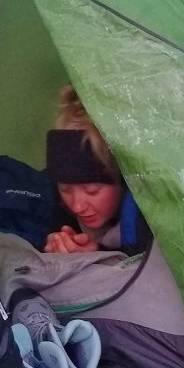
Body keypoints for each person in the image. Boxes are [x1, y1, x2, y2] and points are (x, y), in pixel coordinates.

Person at [43, 85, 149, 256]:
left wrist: (98, 256)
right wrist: (56, 247)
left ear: (121, 179)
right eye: (65, 189)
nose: (77, 206)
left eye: (91, 191)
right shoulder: (61, 201)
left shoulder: (146, 219)